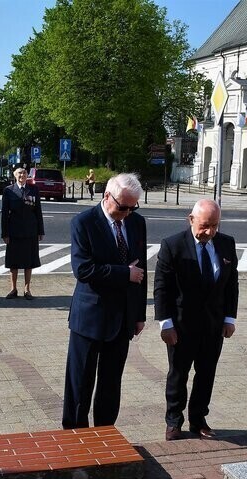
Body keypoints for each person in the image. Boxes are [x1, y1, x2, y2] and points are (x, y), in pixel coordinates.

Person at [62, 172, 147, 429]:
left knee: (111, 384)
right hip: (90, 317)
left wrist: (139, 314)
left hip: (122, 318)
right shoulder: (84, 222)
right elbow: (83, 269)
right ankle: (75, 434)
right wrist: (124, 273)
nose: (127, 213)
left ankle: (105, 433)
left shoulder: (136, 222)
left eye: (133, 208)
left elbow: (141, 271)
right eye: (123, 207)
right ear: (107, 196)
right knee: (80, 383)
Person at [154, 199, 239, 441]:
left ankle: (198, 420)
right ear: (191, 220)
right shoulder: (173, 245)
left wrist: (229, 318)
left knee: (206, 373)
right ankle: (173, 421)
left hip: (213, 325)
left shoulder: (226, 243)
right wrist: (165, 323)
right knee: (178, 374)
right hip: (181, 325)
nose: (209, 232)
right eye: (204, 226)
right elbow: (162, 287)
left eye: (215, 226)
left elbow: (231, 284)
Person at [1, 163, 44, 299]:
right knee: (13, 262)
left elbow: (38, 211)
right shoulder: (8, 190)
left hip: (30, 231)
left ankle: (27, 289)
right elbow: (4, 213)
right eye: (19, 173)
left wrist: (40, 231)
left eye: (24, 173)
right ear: (15, 175)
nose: (22, 175)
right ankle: (13, 289)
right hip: (14, 231)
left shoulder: (33, 189)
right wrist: (5, 233)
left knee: (28, 261)